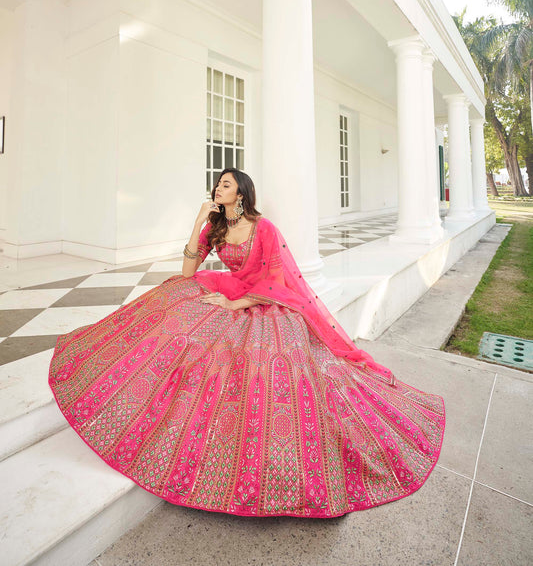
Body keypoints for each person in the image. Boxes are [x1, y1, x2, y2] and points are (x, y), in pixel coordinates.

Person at [48, 168, 445, 518]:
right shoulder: (216, 225)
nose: (218, 188)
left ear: (242, 192)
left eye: (225, 184)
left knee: (270, 356)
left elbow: (276, 278)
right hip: (229, 286)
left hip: (265, 298)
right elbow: (188, 270)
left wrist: (237, 302)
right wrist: (198, 221)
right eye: (217, 184)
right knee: (176, 298)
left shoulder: (264, 227)